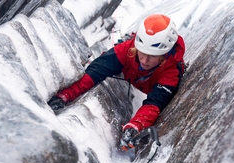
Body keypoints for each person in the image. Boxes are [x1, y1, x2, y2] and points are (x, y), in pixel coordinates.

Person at [47, 14, 186, 151]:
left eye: (152, 56)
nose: (144, 60)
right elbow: (94, 73)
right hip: (132, 69)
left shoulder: (171, 72)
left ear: (164, 54)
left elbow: (155, 103)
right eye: (142, 53)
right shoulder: (126, 50)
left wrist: (136, 125)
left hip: (150, 82)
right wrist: (65, 95)